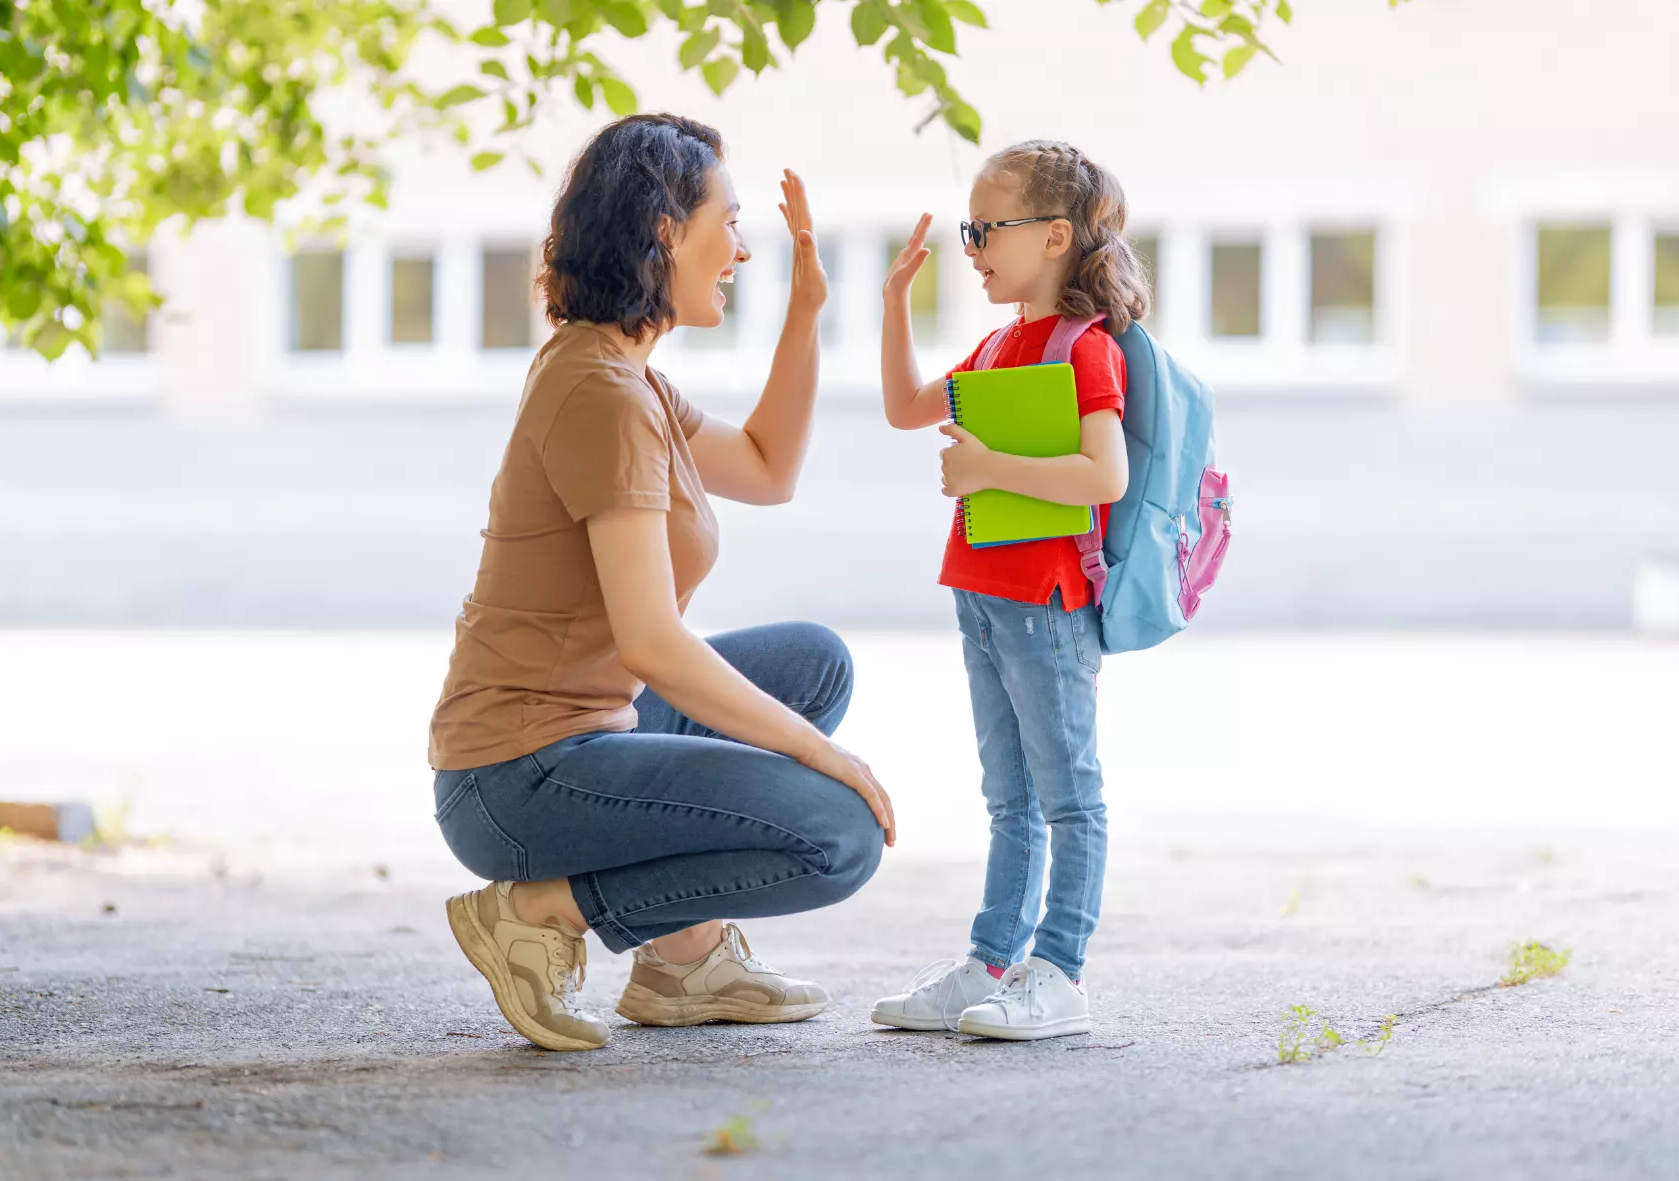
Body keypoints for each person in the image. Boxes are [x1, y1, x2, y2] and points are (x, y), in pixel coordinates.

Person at [429, 114, 894, 1053]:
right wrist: (821, 756)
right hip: (516, 778)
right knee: (835, 835)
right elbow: (650, 640)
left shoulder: (627, 375)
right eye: (728, 219)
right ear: (665, 230)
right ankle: (543, 909)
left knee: (814, 663)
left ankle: (683, 961)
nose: (743, 247)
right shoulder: (602, 393)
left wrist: (806, 315)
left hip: (594, 733)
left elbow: (767, 467)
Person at [870, 140, 1145, 1040]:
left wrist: (990, 463)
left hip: (1048, 600)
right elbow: (907, 407)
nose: (974, 245)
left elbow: (1101, 476)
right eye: (969, 228)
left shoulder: (1084, 348)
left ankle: (1059, 970)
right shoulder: (996, 343)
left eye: (988, 228)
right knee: (1008, 795)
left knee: (1069, 794)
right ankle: (993, 962)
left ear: (1056, 236)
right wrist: (891, 304)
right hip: (983, 593)